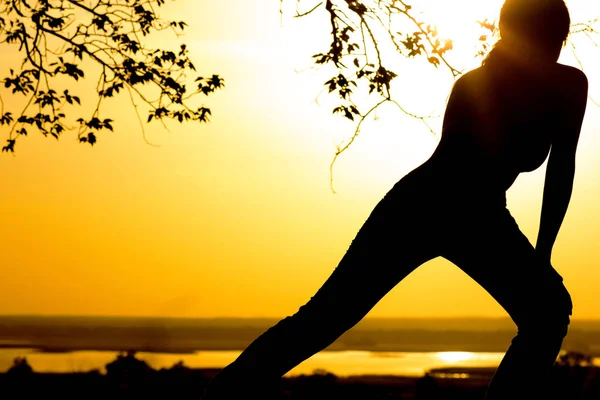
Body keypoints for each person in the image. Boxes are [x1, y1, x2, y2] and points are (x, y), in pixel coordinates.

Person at [202, 0, 589, 399]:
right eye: (546, 37)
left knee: (547, 312)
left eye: (556, 39)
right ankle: (221, 395)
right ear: (516, 36)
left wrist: (542, 256)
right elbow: (460, 177)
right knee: (327, 316)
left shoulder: (569, 86)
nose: (553, 48)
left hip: (481, 211)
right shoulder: (476, 84)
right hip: (424, 207)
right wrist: (534, 263)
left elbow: (561, 173)